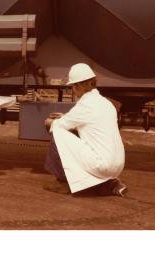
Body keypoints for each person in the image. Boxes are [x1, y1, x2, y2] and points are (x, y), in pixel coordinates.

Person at [43, 63, 127, 196]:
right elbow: (88, 122)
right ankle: (108, 184)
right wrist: (66, 117)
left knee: (58, 132)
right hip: (118, 165)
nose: (73, 90)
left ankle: (64, 182)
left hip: (102, 165)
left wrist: (49, 122)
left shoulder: (85, 105)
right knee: (73, 132)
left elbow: (59, 125)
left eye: (73, 87)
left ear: (79, 85)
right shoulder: (106, 103)